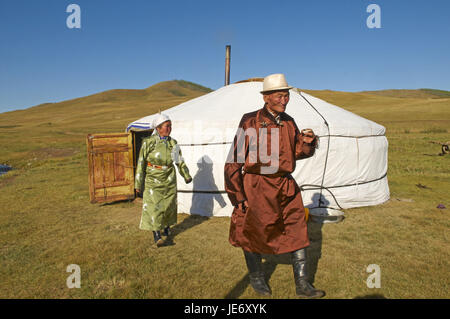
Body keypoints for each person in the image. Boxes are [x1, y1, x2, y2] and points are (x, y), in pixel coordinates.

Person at [224, 73, 325, 298]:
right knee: (252, 231)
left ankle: (303, 284)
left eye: (286, 95)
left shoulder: (289, 122)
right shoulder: (250, 121)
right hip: (257, 185)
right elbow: (234, 159)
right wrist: (238, 195)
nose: (284, 100)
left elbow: (295, 152)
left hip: (285, 185)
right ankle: (257, 277)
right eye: (280, 96)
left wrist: (307, 143)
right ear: (267, 97)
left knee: (298, 227)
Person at [135, 113, 192, 247]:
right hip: (153, 178)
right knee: (155, 206)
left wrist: (186, 175)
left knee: (168, 205)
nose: (169, 128)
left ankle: (166, 227)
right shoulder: (149, 143)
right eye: (167, 126)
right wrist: (138, 183)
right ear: (159, 128)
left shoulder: (173, 143)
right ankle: (156, 235)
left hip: (169, 177)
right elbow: (141, 163)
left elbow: (179, 161)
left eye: (170, 126)